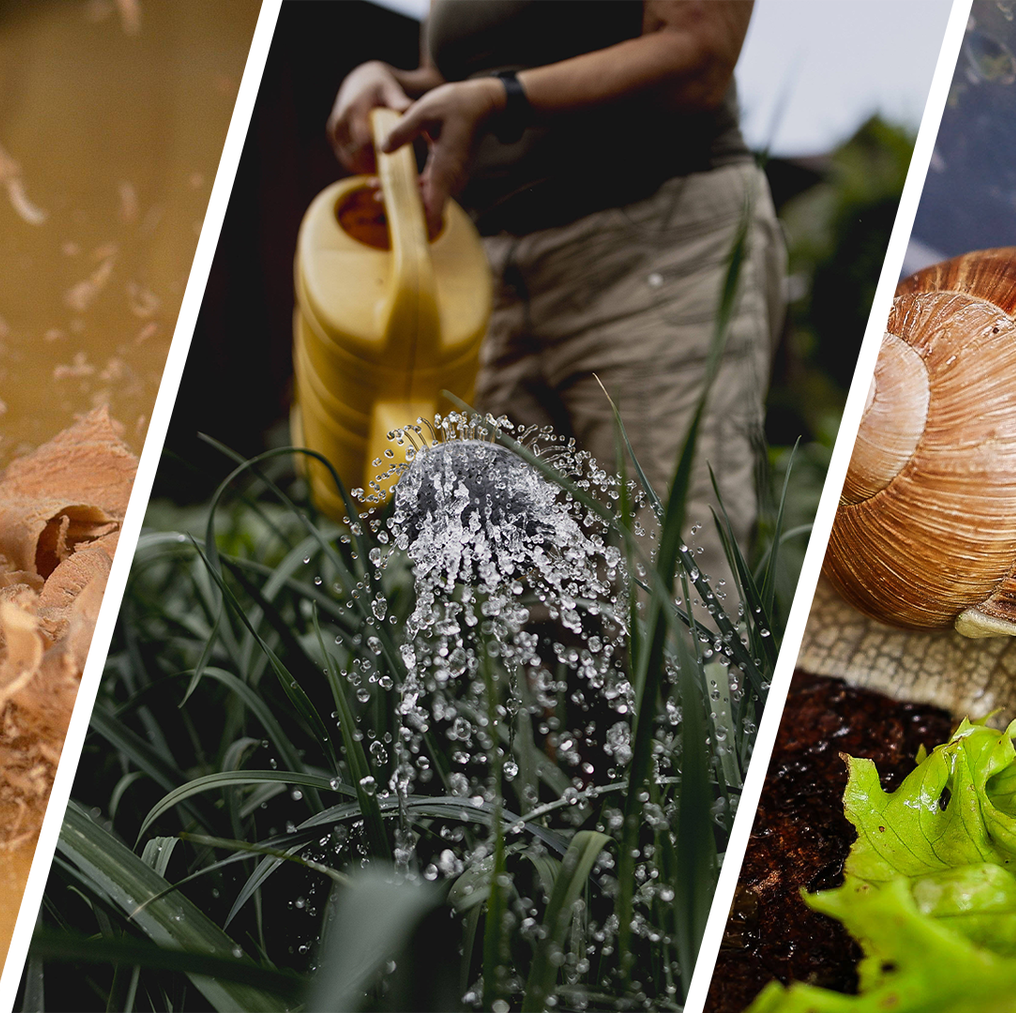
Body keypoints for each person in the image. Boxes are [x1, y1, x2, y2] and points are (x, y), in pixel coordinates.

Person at [327, 0, 784, 603]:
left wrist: (502, 97)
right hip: (495, 274)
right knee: (517, 606)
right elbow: (469, 71)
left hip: (652, 247)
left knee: (675, 589)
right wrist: (385, 83)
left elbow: (698, 56)